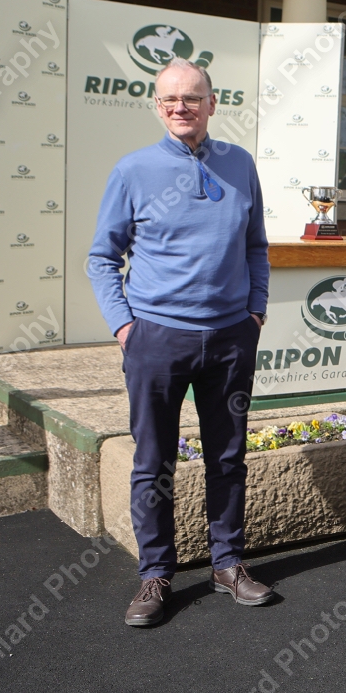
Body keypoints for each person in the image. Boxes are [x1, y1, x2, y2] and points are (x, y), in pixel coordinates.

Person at [88, 58, 273, 627]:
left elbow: (256, 245)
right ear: (157, 106)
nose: (180, 107)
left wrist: (255, 311)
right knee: (153, 461)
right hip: (157, 339)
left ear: (212, 104)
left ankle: (227, 563)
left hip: (230, 337)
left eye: (192, 97)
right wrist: (125, 326)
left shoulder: (239, 164)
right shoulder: (132, 170)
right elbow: (102, 257)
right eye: (169, 98)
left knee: (228, 455)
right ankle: (155, 574)